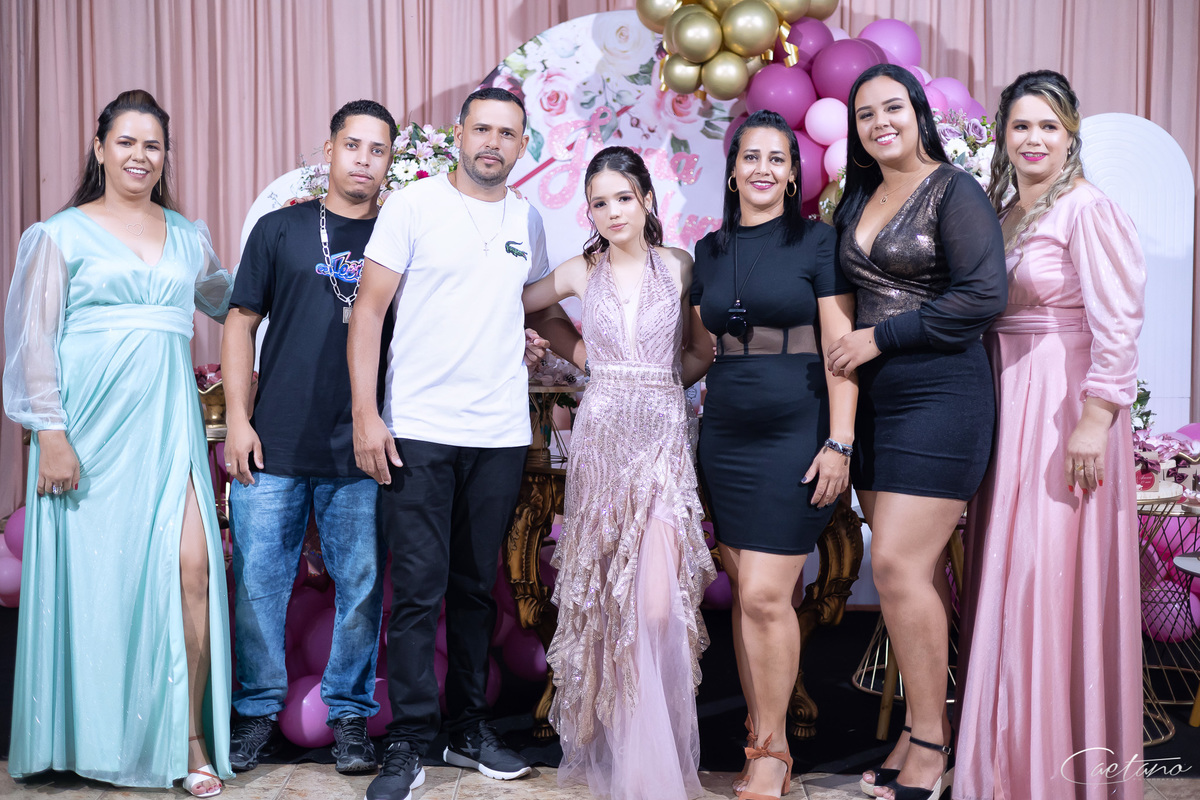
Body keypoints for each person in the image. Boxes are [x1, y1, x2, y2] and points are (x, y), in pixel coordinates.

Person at [2, 90, 234, 797]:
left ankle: (189, 738)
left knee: (191, 569)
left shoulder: (189, 238)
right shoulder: (58, 235)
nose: (140, 155)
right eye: (126, 141)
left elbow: (235, 303)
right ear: (100, 148)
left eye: (152, 145)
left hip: (168, 431)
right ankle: (94, 738)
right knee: (99, 588)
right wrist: (51, 434)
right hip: (87, 435)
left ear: (165, 156)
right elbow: (34, 343)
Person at [348, 86, 575, 800]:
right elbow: (368, 312)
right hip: (418, 428)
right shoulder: (413, 206)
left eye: (508, 134)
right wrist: (365, 414)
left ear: (521, 145)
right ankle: (409, 740)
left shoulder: (526, 217)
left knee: (479, 588)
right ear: (460, 134)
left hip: (499, 432)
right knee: (417, 591)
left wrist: (597, 359)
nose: (493, 143)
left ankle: (468, 728)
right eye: (482, 129)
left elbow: (534, 308)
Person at [953, 71, 1146, 800]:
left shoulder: (1087, 209)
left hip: (1064, 406)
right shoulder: (1005, 212)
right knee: (1006, 572)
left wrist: (1096, 419)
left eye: (1049, 126)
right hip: (1008, 398)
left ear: (1070, 135)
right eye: (1021, 126)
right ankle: (1002, 759)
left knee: (1046, 573)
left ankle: (1049, 768)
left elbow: (1118, 324)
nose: (1034, 139)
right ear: (1003, 135)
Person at [827, 64, 1007, 800]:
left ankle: (933, 747)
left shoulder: (954, 190)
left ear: (919, 113)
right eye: (865, 114)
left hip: (941, 396)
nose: (880, 123)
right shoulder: (858, 195)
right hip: (874, 407)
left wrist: (879, 338)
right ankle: (914, 729)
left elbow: (983, 296)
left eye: (892, 107)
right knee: (915, 576)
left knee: (897, 566)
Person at [521, 146, 717, 800]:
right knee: (607, 599)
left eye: (623, 198)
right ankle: (629, 760)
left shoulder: (680, 266)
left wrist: (657, 384)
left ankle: (655, 750)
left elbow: (700, 351)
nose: (612, 212)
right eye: (599, 202)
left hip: (660, 441)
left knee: (656, 605)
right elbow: (526, 305)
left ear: (648, 200)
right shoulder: (582, 270)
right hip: (601, 440)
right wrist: (585, 357)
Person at [220, 100, 396, 775]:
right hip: (275, 441)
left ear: (390, 161)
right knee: (258, 587)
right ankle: (258, 712)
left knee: (361, 588)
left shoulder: (400, 235)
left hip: (363, 445)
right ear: (329, 150)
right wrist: (239, 419)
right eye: (352, 145)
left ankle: (349, 714)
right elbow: (240, 322)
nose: (363, 159)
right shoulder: (281, 229)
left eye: (377, 149)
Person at [692, 110, 858, 800]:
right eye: (751, 157)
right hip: (725, 434)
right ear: (733, 171)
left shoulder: (818, 241)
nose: (763, 168)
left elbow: (841, 349)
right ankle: (761, 737)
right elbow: (698, 354)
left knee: (764, 594)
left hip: (799, 427)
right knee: (749, 598)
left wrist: (840, 441)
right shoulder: (707, 250)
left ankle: (772, 749)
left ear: (793, 175)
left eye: (777, 159)